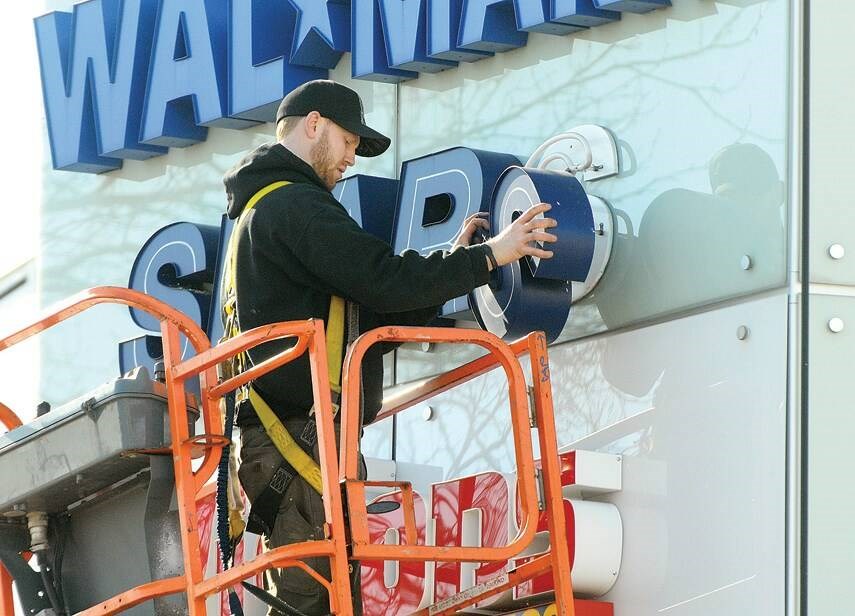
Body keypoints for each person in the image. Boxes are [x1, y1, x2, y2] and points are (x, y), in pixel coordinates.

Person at [222, 79, 557, 615]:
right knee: (321, 603)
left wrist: (457, 262)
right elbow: (384, 281)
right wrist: (491, 255)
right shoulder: (297, 206)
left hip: (293, 440)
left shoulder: (262, 214)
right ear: (314, 126)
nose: (351, 159)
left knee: (325, 595)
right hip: (302, 441)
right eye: (350, 142)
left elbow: (375, 306)